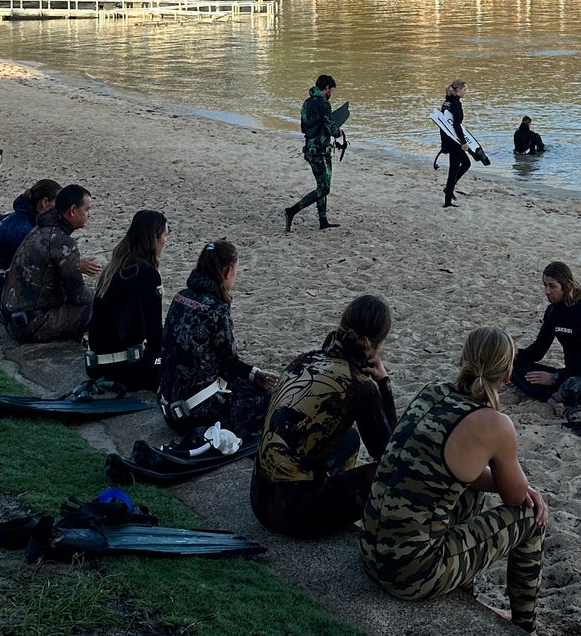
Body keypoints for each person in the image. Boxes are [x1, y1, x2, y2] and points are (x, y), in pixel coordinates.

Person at [360, 326, 547, 636]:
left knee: (471, 493)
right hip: (413, 574)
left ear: (464, 359)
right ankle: (527, 630)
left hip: (371, 554)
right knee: (533, 517)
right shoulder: (496, 424)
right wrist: (526, 490)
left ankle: (462, 594)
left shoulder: (432, 391)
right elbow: (516, 500)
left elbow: (462, 472)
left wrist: (505, 483)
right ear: (507, 374)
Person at [250, 295, 397, 539]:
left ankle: (326, 487)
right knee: (391, 476)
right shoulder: (360, 385)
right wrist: (384, 384)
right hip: (293, 515)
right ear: (379, 342)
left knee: (349, 439)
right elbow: (388, 453)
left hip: (259, 499)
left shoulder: (304, 360)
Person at [158, 239, 276, 442]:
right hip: (196, 412)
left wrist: (252, 374)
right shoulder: (217, 310)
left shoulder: (180, 297)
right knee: (273, 400)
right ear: (228, 271)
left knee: (249, 383)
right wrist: (254, 374)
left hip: (169, 403)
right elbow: (229, 366)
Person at [0, 184, 99, 343]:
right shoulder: (62, 242)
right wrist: (97, 298)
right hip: (30, 326)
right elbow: (78, 295)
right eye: (87, 210)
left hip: (13, 317)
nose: (89, 214)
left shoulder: (41, 228)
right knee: (99, 306)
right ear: (72, 211)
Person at [85, 208, 166, 390]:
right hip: (122, 369)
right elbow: (155, 334)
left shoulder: (113, 267)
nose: (165, 241)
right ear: (154, 238)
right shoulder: (146, 274)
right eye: (164, 235)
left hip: (96, 365)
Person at [511, 263, 581, 408]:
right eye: (545, 285)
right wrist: (516, 354)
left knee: (572, 385)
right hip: (566, 375)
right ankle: (551, 400)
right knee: (514, 367)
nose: (547, 291)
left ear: (567, 286)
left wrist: (555, 377)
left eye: (552, 286)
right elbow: (538, 350)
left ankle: (552, 397)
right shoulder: (552, 312)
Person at [0, 177, 61, 289]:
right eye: (57, 205)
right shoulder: (22, 227)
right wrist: (72, 266)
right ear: (45, 202)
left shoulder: (22, 218)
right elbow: (37, 263)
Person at [285, 75, 344, 232]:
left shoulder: (306, 103)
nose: (331, 93)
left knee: (320, 185)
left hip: (309, 149)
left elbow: (304, 127)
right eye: (331, 90)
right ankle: (292, 211)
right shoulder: (324, 104)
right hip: (321, 151)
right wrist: (338, 133)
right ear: (325, 88)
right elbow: (332, 127)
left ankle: (323, 221)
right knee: (324, 188)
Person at [439, 80, 472, 207]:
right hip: (455, 141)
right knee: (454, 170)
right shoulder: (456, 103)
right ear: (458, 90)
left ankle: (449, 188)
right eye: (464, 90)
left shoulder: (446, 102)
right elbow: (456, 125)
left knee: (466, 163)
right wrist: (463, 142)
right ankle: (447, 200)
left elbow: (442, 124)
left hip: (448, 139)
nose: (465, 92)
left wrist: (444, 143)